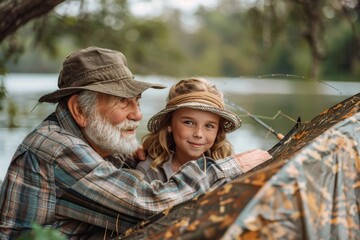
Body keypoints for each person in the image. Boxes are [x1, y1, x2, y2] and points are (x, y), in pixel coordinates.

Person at [0, 46, 272, 239]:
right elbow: (149, 203)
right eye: (122, 102)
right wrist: (229, 167)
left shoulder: (91, 141)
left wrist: (135, 156)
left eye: (137, 102)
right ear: (80, 111)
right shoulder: (58, 150)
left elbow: (113, 180)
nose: (137, 114)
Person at [138, 77, 249, 182]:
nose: (198, 134)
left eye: (209, 126)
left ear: (218, 131)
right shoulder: (148, 171)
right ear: (169, 124)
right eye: (189, 123)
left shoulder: (230, 169)